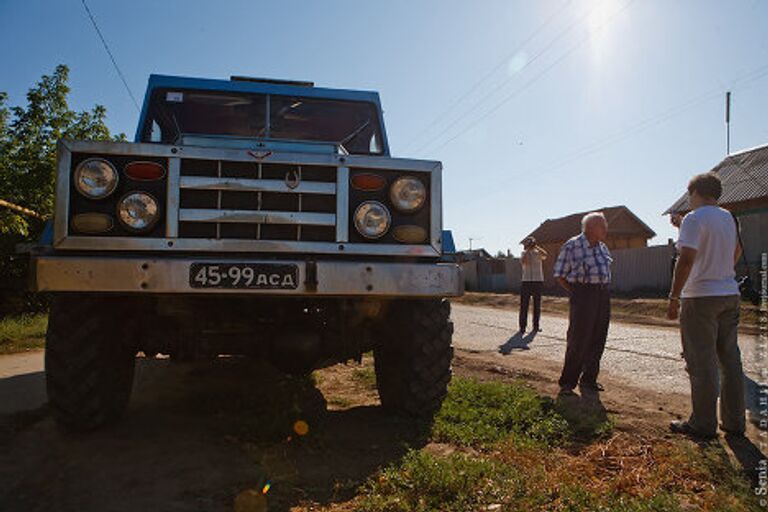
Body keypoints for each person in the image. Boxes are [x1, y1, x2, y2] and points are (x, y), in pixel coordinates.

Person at [667, 172, 745, 439]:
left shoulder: (694, 218)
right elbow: (735, 252)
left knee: (702, 361)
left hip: (700, 298)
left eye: (689, 195)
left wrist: (674, 297)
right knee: (730, 360)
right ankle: (734, 423)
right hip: (729, 293)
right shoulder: (729, 217)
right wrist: (720, 272)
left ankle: (702, 423)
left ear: (695, 192)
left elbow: (686, 259)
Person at [553, 212, 612, 396]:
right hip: (583, 293)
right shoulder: (573, 245)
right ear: (591, 227)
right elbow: (560, 274)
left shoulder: (603, 247)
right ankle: (568, 382)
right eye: (603, 225)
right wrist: (577, 292)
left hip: (603, 294)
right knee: (578, 339)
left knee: (598, 338)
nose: (606, 229)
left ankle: (589, 380)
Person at [519, 237, 548, 333]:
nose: (530, 245)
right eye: (528, 243)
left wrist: (536, 247)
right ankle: (522, 327)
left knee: (537, 305)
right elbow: (524, 262)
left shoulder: (538, 253)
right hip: (526, 281)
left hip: (538, 280)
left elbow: (545, 255)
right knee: (524, 305)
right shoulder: (524, 253)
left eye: (531, 243)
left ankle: (536, 326)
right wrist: (527, 250)